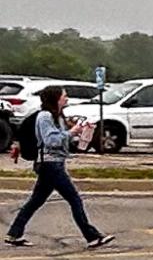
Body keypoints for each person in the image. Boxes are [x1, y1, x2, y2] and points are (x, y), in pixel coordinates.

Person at [5, 86, 112, 250]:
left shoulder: (58, 116)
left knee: (36, 201)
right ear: (55, 99)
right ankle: (92, 237)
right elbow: (51, 140)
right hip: (50, 165)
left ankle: (14, 233)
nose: (67, 98)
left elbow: (61, 139)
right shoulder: (45, 116)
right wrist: (72, 132)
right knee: (74, 199)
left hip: (53, 163)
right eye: (64, 96)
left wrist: (80, 133)